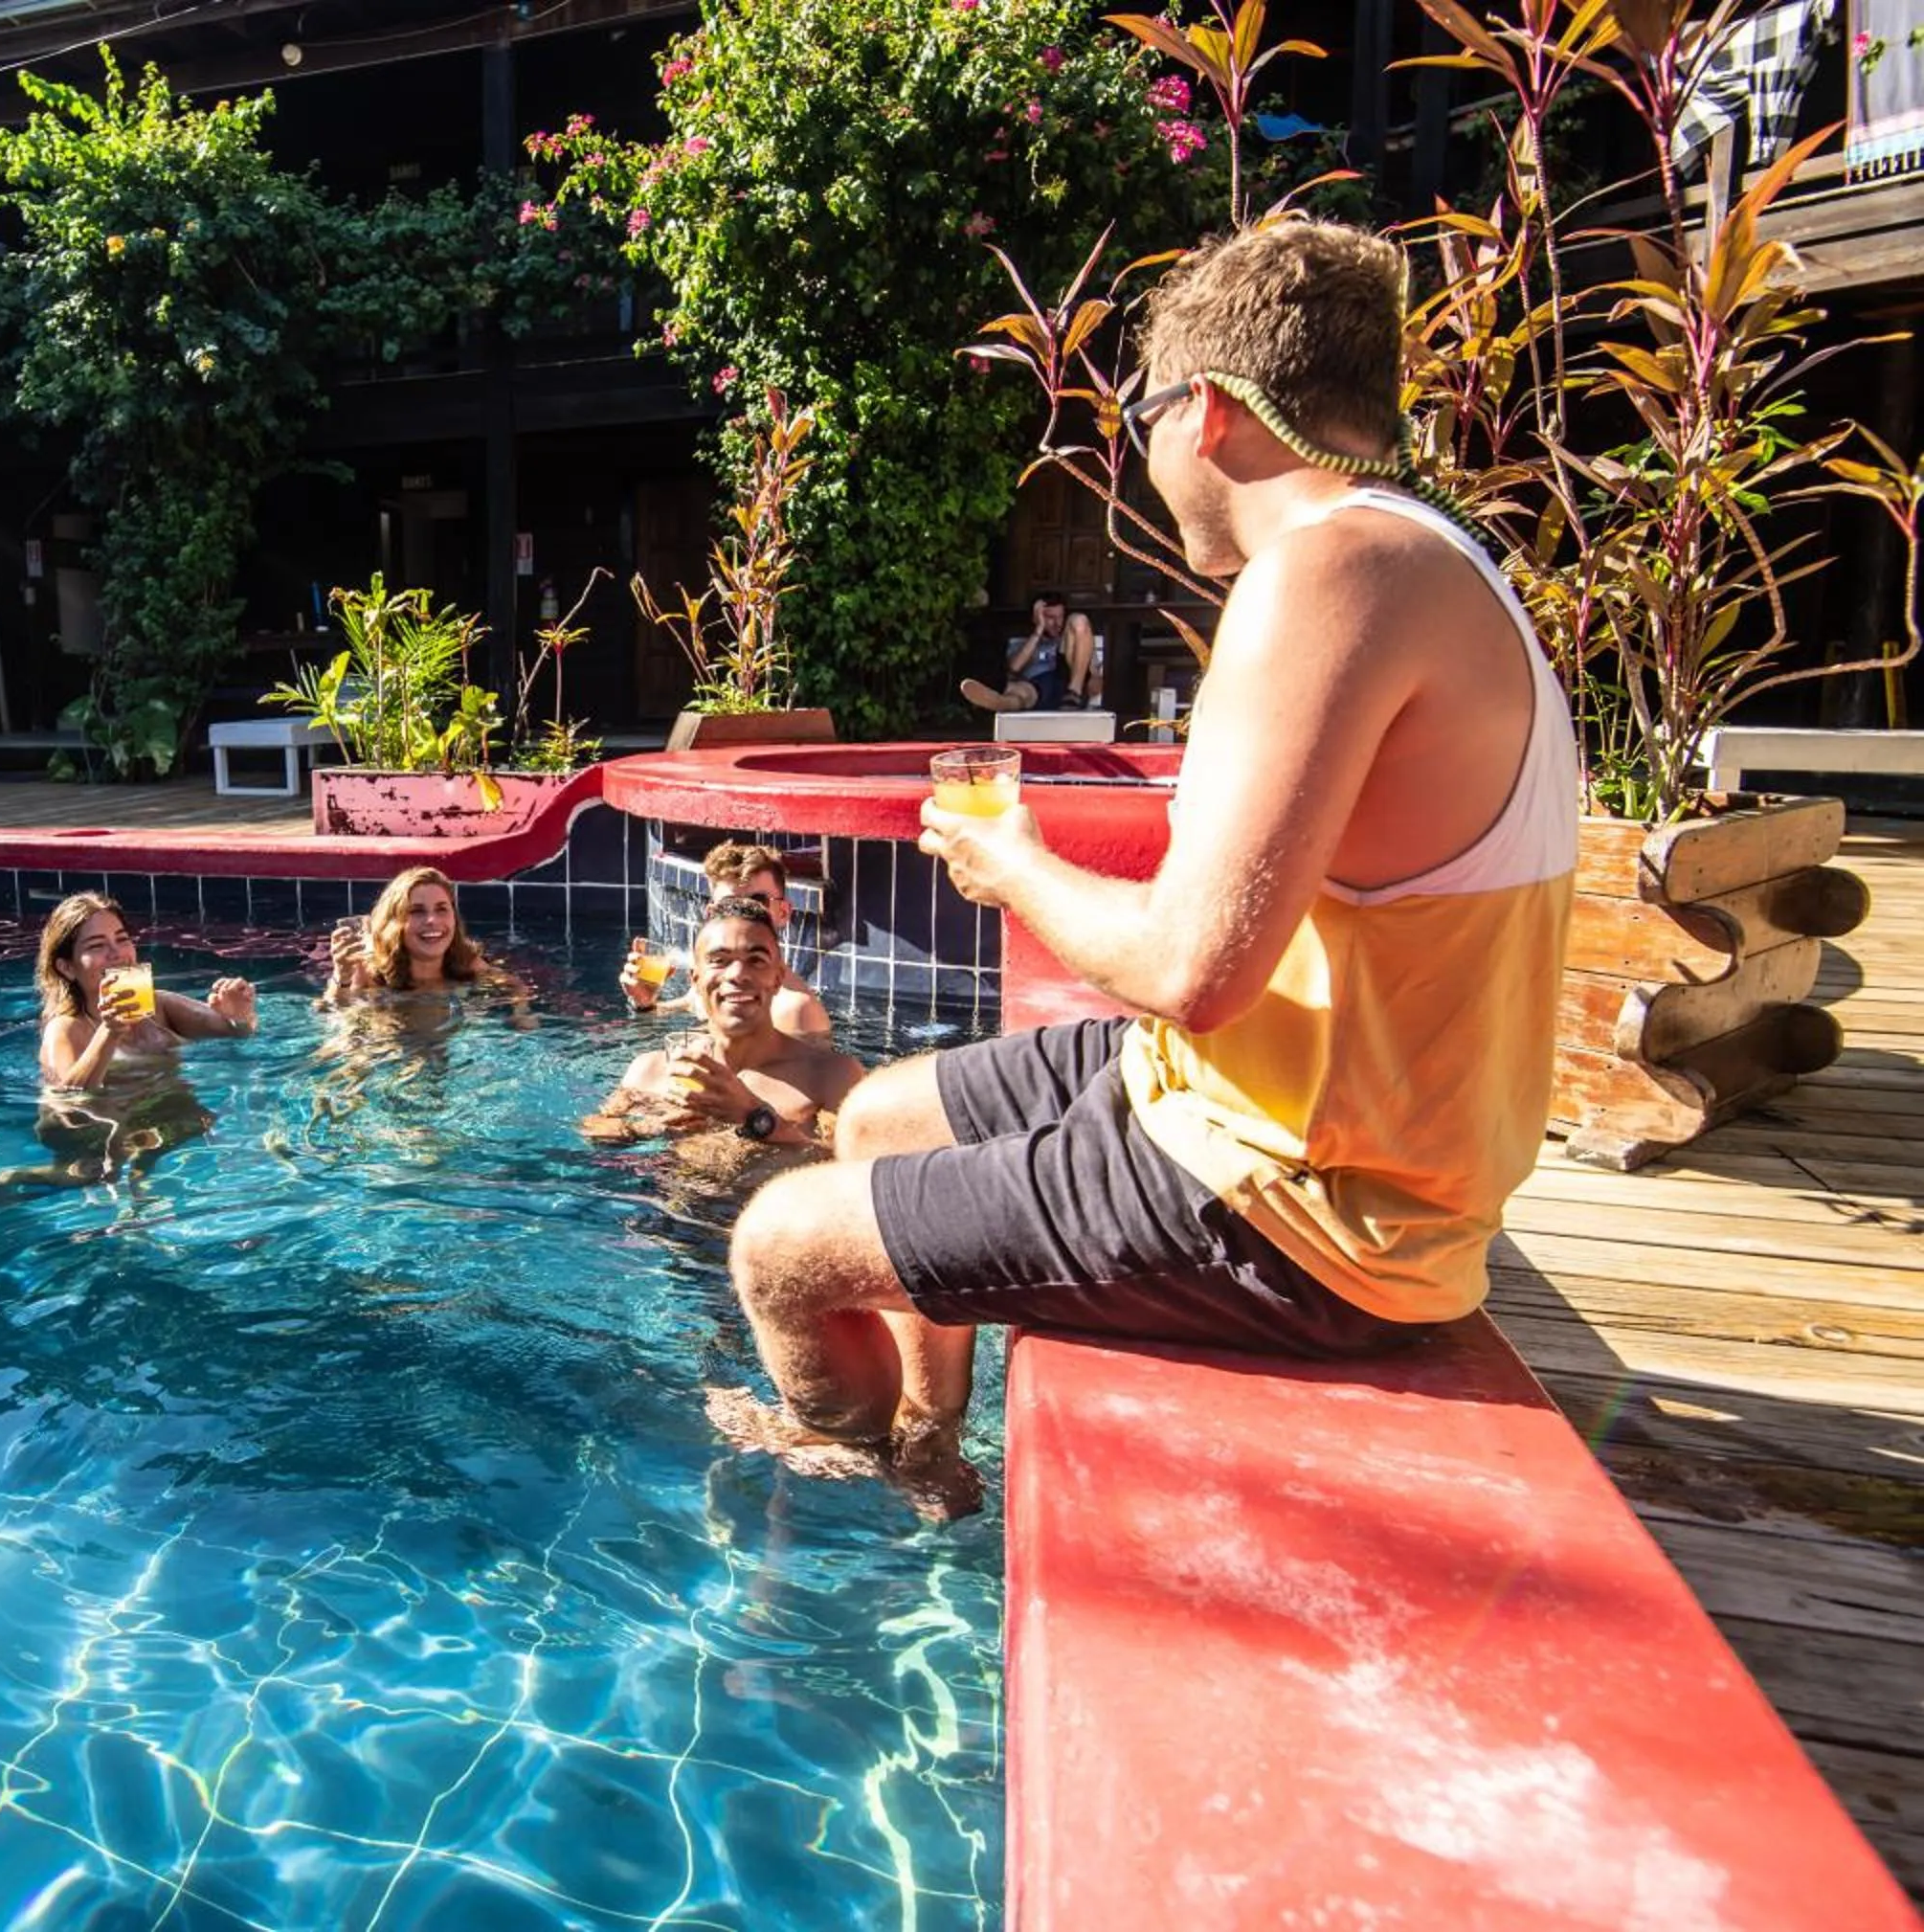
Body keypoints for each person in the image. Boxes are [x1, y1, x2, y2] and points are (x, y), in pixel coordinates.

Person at [719, 218, 1580, 1509]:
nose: (1138, 455)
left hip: (1311, 1210)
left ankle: (850, 1499)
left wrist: (1012, 863)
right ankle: (927, 1448)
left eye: (1142, 417)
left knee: (778, 1244)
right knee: (880, 1111)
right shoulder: (1421, 553)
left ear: (1210, 414)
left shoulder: (1331, 569)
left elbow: (1191, 966)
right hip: (1268, 1114)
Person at [586, 896, 863, 1158]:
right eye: (719, 960)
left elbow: (853, 1161)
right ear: (695, 980)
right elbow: (595, 1129)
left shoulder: (830, 1076)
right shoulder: (652, 1070)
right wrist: (650, 1127)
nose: (737, 974)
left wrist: (754, 1117)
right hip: (663, 1207)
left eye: (756, 960)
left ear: (778, 978)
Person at [34, 891, 257, 1090]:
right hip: (113, 1130)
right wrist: (109, 1032)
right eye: (96, 945)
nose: (117, 953)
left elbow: (239, 1034)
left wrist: (238, 1016)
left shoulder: (159, 1006)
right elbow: (68, 1100)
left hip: (179, 1119)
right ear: (67, 968)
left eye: (122, 939)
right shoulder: (65, 1029)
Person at [618, 842, 831, 1037]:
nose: (743, 914)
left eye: (757, 902)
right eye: (729, 905)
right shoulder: (711, 981)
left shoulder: (795, 1011)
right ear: (711, 914)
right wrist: (644, 1003)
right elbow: (671, 1012)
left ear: (783, 912)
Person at [324, 865, 499, 1003]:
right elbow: (332, 1013)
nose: (431, 920)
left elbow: (513, 986)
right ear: (393, 922)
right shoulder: (370, 972)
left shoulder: (465, 962)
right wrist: (341, 976)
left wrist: (520, 1014)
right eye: (416, 911)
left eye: (441, 909)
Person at [959, 592, 1097, 713]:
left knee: (1079, 619)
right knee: (1018, 691)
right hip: (1035, 688)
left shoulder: (1074, 640)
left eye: (1060, 617)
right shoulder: (1020, 643)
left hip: (1065, 683)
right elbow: (1013, 668)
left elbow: (1095, 679)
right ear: (1035, 618)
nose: (1057, 623)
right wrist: (1039, 629)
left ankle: (1074, 692)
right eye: (1050, 618)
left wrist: (1093, 679)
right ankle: (999, 703)